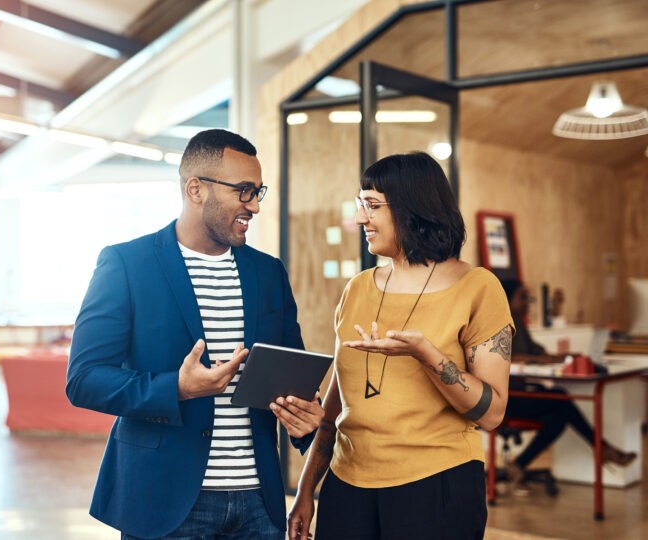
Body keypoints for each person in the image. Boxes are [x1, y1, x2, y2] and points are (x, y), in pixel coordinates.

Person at [66, 128, 324, 539]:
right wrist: (178, 388)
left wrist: (306, 418)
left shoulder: (268, 272)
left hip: (259, 504)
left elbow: (291, 376)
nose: (254, 206)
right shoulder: (126, 265)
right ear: (195, 189)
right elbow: (84, 380)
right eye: (244, 191)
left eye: (259, 192)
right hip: (164, 502)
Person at [288, 152, 515, 540]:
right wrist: (306, 490)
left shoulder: (478, 288)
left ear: (413, 209)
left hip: (437, 486)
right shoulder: (357, 288)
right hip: (348, 485)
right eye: (361, 205)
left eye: (372, 206)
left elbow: (492, 413)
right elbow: (336, 404)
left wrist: (426, 355)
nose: (361, 218)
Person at [500, 279, 636, 494]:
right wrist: (538, 360)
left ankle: (518, 465)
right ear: (507, 299)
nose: (528, 302)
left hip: (523, 392)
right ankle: (601, 448)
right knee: (561, 398)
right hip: (507, 399)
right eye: (522, 297)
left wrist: (561, 357)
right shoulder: (499, 323)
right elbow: (507, 357)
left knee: (558, 418)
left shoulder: (519, 323)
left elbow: (537, 352)